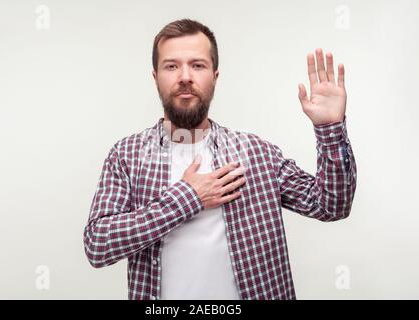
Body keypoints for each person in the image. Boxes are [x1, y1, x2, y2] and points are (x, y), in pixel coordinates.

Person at [83, 18, 357, 300]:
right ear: (155, 77)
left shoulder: (256, 153)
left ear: (215, 75)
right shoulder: (128, 156)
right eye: (172, 65)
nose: (185, 76)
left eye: (197, 65)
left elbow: (332, 205)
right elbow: (97, 245)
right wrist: (187, 198)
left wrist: (329, 129)